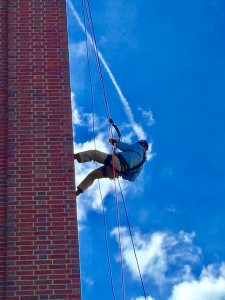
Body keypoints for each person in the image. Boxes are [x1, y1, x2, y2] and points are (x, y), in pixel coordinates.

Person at [74, 139, 149, 197]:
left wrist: (114, 142)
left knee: (94, 154)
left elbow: (125, 146)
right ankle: (76, 193)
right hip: (116, 173)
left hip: (116, 161)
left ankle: (73, 157)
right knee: (93, 176)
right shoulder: (141, 165)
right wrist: (122, 173)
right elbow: (131, 178)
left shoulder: (139, 147)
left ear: (141, 144)